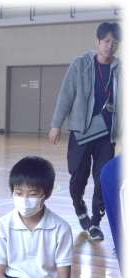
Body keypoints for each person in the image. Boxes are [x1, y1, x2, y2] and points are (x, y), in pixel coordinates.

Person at [49, 21, 121, 242]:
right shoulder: (80, 64)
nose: (110, 46)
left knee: (103, 179)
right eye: (106, 41)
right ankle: (80, 210)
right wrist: (56, 124)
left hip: (106, 136)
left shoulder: (121, 70)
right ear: (98, 41)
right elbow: (66, 95)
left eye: (114, 42)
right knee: (78, 177)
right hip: (81, 132)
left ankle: (96, 223)